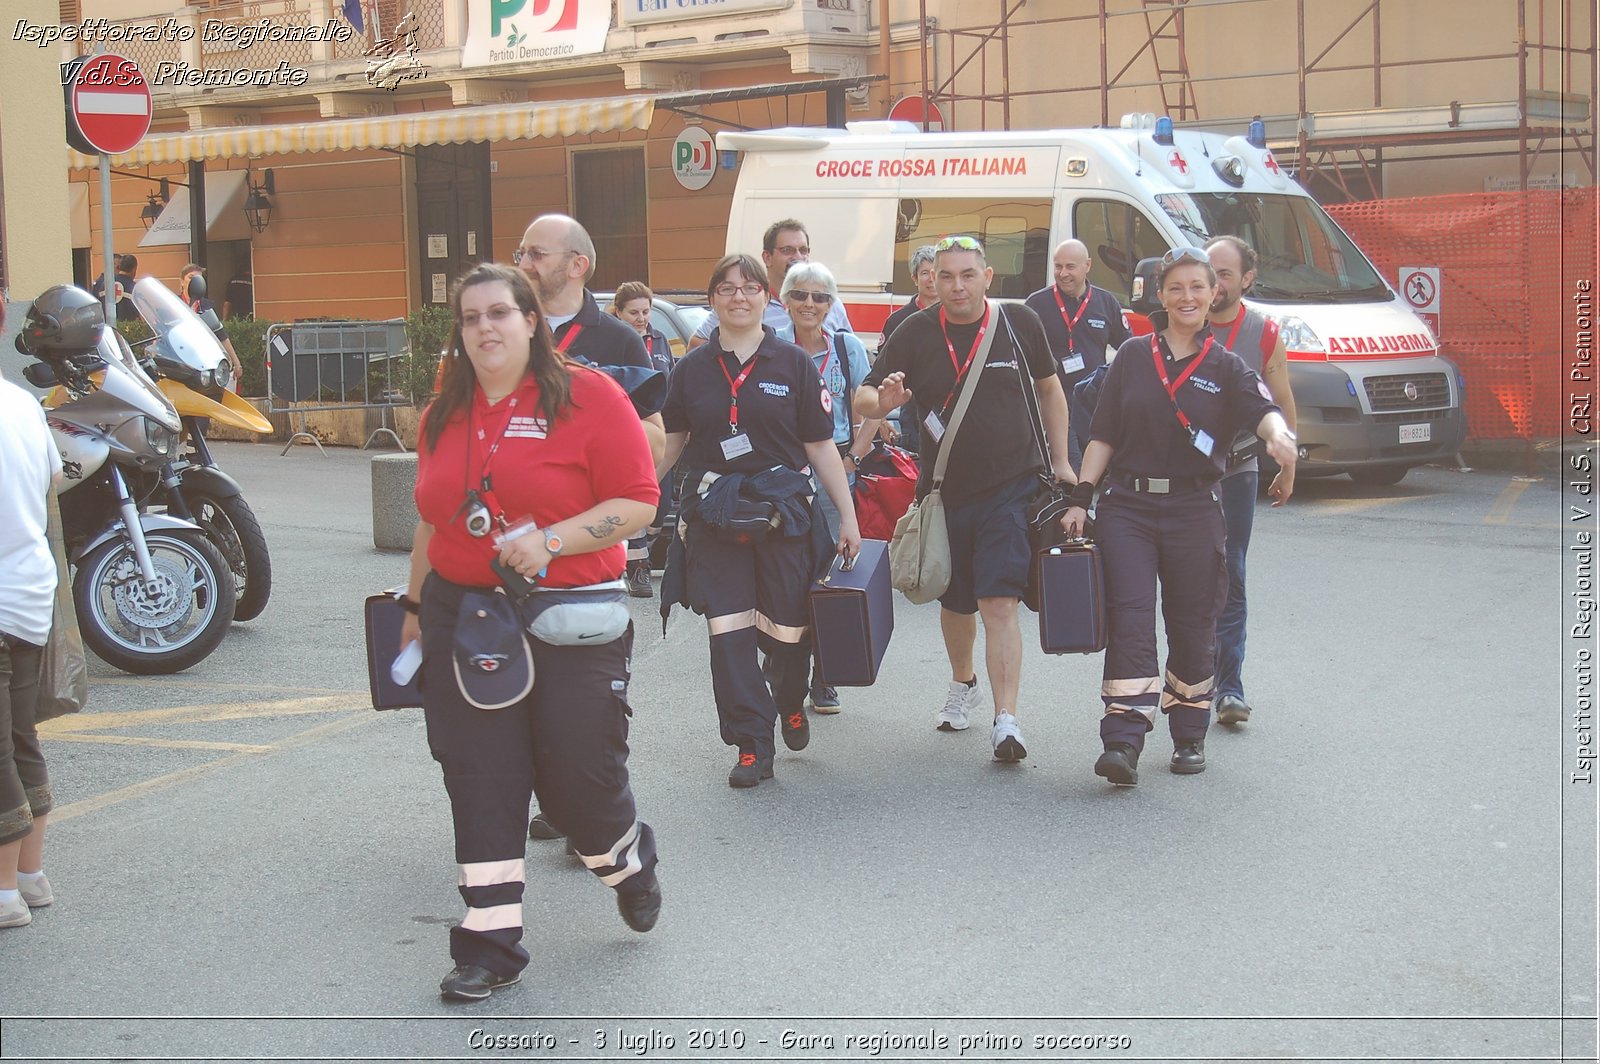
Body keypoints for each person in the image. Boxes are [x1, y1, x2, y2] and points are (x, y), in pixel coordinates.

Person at [398, 263, 662, 1002]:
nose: (484, 328)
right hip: (464, 612)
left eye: (499, 314)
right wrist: (414, 613)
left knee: (580, 781)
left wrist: (551, 540)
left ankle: (625, 860)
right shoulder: (444, 410)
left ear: (531, 321)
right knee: (480, 775)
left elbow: (639, 502)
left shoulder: (588, 396)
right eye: (471, 316)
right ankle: (489, 942)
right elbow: (431, 519)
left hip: (568, 616)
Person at [1061, 246, 1297, 786]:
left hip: (1195, 508)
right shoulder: (1132, 357)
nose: (1187, 297)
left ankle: (1189, 733)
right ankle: (1122, 740)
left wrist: (1281, 440)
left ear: (1214, 293)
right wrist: (1081, 496)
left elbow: (1263, 411)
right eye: (1176, 288)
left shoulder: (1226, 365)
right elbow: (1104, 434)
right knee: (1132, 617)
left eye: (1198, 287)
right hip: (1130, 509)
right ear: (1159, 297)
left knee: (1193, 621)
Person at [855, 236, 1076, 762]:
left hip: (1012, 487)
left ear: (987, 276)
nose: (956, 285)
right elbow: (863, 396)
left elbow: (1050, 389)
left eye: (967, 275)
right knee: (955, 603)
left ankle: (1007, 719)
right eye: (946, 275)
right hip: (944, 491)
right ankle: (963, 682)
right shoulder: (914, 331)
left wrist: (1063, 461)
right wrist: (881, 402)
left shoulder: (1019, 323)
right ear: (932, 279)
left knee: (997, 601)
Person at [657, 253, 861, 787]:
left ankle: (790, 698)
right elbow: (672, 443)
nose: (738, 296)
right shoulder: (690, 369)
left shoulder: (791, 363)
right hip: (714, 514)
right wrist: (628, 499)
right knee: (727, 632)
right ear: (712, 300)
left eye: (749, 287)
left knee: (789, 633)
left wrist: (848, 517)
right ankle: (751, 742)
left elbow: (819, 445)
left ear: (766, 299)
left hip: (784, 514)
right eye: (726, 288)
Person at [775, 261, 881, 713]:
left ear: (831, 304)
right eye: (800, 295)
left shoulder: (846, 347)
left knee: (831, 570)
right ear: (785, 301)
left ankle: (825, 675)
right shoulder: (773, 348)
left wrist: (854, 455)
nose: (810, 304)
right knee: (785, 569)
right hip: (783, 471)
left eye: (820, 297)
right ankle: (783, 664)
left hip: (835, 464)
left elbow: (874, 405)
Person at [1204, 236, 1298, 727]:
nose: (1213, 283)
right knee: (1186, 575)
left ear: (1246, 279)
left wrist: (1288, 462)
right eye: (1209, 271)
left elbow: (1280, 402)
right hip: (1183, 473)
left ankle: (1230, 687)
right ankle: (1190, 679)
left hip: (1237, 468)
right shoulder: (1183, 320)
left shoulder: (1263, 333)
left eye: (1223, 274)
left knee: (1231, 571)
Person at [0, 297, 65, 930]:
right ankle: (29, 875)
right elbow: (48, 484)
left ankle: (4, 896)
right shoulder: (23, 404)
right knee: (20, 737)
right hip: (26, 598)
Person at [1023, 239, 1131, 474]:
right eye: (1058, 266)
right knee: (1074, 468)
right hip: (1057, 400)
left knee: (1100, 466)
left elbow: (1128, 349)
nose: (1063, 274)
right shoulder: (1036, 304)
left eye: (1070, 267)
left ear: (1087, 265)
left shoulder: (1106, 303)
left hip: (1095, 401)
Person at [687, 219, 853, 350]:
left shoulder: (829, 303)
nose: (798, 257)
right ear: (767, 257)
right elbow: (697, 344)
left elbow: (849, 356)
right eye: (787, 250)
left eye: (803, 250)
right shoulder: (749, 303)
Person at [609, 281, 674, 597]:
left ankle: (635, 550)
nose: (641, 318)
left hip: (659, 433)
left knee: (661, 507)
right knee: (637, 498)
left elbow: (670, 383)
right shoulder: (611, 343)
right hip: (625, 435)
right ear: (618, 313)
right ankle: (639, 569)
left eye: (646, 312)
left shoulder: (661, 341)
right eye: (633, 312)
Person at [876, 243, 940, 455]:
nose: (931, 279)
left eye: (936, 272)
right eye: (924, 273)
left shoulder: (959, 317)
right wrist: (882, 419)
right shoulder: (898, 321)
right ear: (914, 278)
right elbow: (877, 376)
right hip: (914, 417)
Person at [179, 264, 244, 382]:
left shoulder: (207, 307)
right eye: (190, 277)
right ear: (182, 282)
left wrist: (237, 364)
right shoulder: (173, 304)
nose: (194, 282)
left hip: (202, 365)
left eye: (198, 279)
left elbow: (221, 335)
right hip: (179, 363)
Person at [91, 253, 139, 322]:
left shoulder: (104, 285)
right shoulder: (134, 288)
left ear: (119, 267)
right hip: (128, 330)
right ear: (134, 269)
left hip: (107, 329)